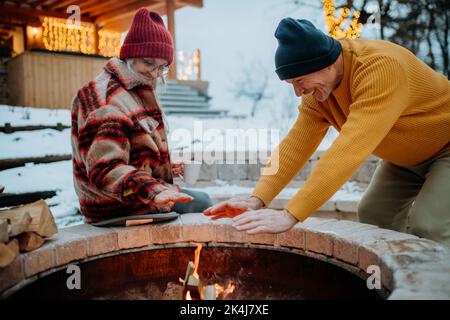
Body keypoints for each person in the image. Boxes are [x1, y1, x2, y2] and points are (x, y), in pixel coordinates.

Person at [204, 18, 450, 246]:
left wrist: (292, 214)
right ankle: (399, 281)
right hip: (405, 159)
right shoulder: (320, 94)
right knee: (375, 212)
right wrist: (256, 199)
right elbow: (293, 148)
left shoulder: (380, 69)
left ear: (327, 64)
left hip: (445, 148)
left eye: (300, 81)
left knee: (429, 225)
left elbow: (349, 150)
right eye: (292, 85)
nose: (298, 92)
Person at [71, 8, 212, 223]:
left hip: (134, 195)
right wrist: (154, 191)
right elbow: (105, 169)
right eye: (149, 63)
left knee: (204, 201)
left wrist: (168, 167)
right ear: (130, 55)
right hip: (114, 205)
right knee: (203, 204)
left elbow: (134, 151)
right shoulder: (107, 101)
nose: (155, 74)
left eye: (162, 68)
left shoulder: (134, 89)